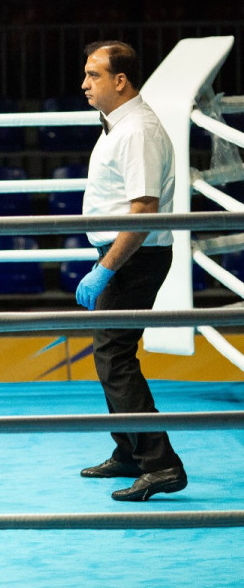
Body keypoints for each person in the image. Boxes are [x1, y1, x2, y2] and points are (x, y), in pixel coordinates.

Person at [75, 40, 186, 501]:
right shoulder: (119, 124)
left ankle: (161, 464)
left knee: (115, 356)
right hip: (123, 255)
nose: (84, 84)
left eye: (94, 75)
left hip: (132, 258)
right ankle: (129, 451)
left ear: (120, 81)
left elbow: (143, 210)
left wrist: (105, 267)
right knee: (110, 354)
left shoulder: (136, 129)